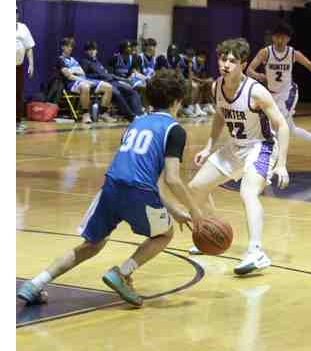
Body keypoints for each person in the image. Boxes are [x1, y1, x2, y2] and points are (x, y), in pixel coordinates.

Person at [17, 70, 204, 307]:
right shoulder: (174, 129)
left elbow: (146, 175)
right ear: (178, 100)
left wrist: (174, 210)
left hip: (112, 185)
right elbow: (173, 179)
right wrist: (195, 210)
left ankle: (36, 283)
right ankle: (123, 273)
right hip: (139, 191)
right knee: (164, 235)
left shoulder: (137, 122)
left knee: (91, 244)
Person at [188, 38, 290, 275]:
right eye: (223, 59)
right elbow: (220, 116)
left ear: (243, 65)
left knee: (248, 192)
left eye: (232, 61)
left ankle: (256, 252)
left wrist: (282, 164)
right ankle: (212, 233)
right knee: (196, 187)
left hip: (261, 147)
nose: (226, 64)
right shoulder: (216, 87)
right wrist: (208, 146)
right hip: (235, 147)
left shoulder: (256, 92)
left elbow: (282, 125)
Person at [247, 21, 311, 156]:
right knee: (291, 129)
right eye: (277, 37)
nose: (280, 40)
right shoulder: (265, 52)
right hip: (272, 94)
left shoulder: (293, 53)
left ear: (288, 39)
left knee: (277, 124)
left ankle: (273, 156)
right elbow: (249, 70)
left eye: (283, 37)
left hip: (288, 92)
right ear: (273, 37)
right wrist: (258, 76)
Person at [80, 41, 144, 122]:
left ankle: (139, 114)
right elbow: (85, 76)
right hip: (102, 83)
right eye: (89, 50)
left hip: (113, 81)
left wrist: (122, 79)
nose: (92, 52)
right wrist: (100, 76)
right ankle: (131, 117)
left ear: (97, 51)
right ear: (86, 52)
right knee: (117, 93)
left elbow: (108, 74)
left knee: (132, 91)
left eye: (94, 49)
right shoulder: (84, 61)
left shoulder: (97, 62)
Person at [58, 37, 116, 124]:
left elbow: (82, 72)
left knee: (108, 87)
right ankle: (85, 114)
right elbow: (69, 76)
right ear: (62, 47)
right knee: (85, 86)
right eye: (68, 46)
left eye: (71, 46)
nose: (70, 48)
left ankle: (103, 114)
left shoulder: (74, 60)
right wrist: (81, 77)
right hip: (72, 83)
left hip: (83, 79)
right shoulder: (60, 60)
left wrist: (75, 72)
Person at [16, 7, 35, 133]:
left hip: (18, 67)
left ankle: (16, 122)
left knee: (17, 94)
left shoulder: (23, 28)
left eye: (15, 12)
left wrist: (31, 64)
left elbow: (29, 47)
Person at [189, 49, 216, 116]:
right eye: (201, 57)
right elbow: (191, 76)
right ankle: (195, 108)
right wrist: (203, 81)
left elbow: (204, 76)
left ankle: (207, 105)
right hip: (186, 80)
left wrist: (205, 82)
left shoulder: (202, 64)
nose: (203, 59)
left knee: (209, 84)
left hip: (196, 80)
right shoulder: (191, 62)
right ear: (197, 56)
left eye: (204, 58)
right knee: (196, 86)